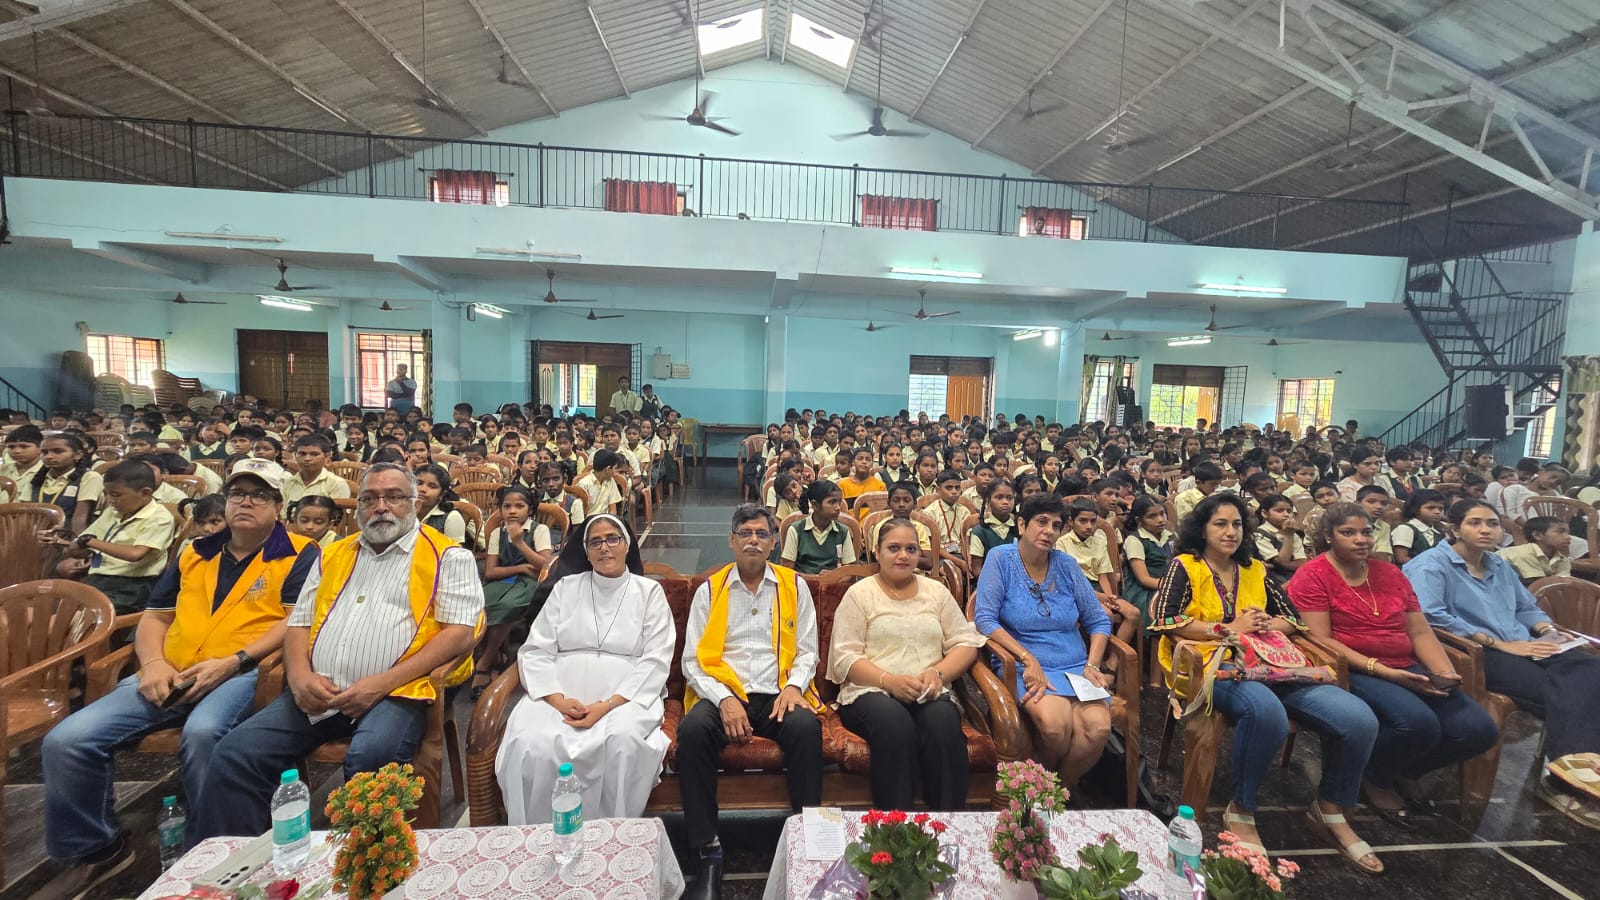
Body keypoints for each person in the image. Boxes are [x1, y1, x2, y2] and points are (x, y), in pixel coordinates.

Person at [41, 459, 318, 896]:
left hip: (241, 672)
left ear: (279, 506)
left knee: (206, 732)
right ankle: (98, 848)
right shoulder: (196, 551)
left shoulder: (300, 553)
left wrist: (234, 662)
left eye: (259, 495)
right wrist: (152, 665)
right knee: (68, 739)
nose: (245, 502)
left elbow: (294, 622)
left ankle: (209, 851)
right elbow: (155, 616)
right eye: (237, 493)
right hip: (169, 670)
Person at [192, 463, 484, 840]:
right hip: (318, 688)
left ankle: (369, 864)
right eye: (369, 499)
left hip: (399, 689)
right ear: (357, 507)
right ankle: (243, 865)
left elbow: (460, 633)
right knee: (235, 752)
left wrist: (380, 684)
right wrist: (298, 678)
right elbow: (299, 622)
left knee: (371, 756)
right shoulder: (333, 553)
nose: (381, 507)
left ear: (413, 503)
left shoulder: (447, 555)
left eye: (394, 497)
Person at [1149, 493, 1382, 872]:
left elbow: (1293, 619)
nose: (1230, 532)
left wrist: (1270, 624)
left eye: (1237, 524)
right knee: (1266, 712)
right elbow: (1163, 620)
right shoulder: (1185, 565)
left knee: (1358, 719)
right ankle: (1241, 808)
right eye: (1220, 524)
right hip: (1211, 666)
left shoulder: (1255, 568)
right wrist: (1226, 628)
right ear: (1202, 529)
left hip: (1271, 664)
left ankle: (1330, 809)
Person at [1290, 502, 1497, 822]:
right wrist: (1383, 670)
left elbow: (1418, 629)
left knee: (1478, 729)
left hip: (1405, 664)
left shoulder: (1389, 573)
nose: (1361, 540)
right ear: (1329, 537)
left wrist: (1442, 671)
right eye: (1348, 533)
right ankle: (1376, 778)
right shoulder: (1313, 575)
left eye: (1366, 532)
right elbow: (1322, 641)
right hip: (1355, 668)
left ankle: (1401, 770)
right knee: (1418, 724)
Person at [1406, 499, 1600, 829]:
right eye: (1475, 523)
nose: (1486, 530)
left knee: (1590, 670)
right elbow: (1431, 617)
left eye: (1492, 524)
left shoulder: (1498, 565)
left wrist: (1548, 630)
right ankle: (1564, 781)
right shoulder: (1432, 565)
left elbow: (1526, 608)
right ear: (1455, 529)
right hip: (1479, 653)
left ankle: (1576, 769)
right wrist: (1499, 643)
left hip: (1525, 643)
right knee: (1565, 691)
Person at [678, 505, 824, 900]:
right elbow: (692, 660)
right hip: (726, 690)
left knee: (806, 728)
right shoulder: (711, 589)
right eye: (745, 533)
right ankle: (707, 852)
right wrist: (725, 699)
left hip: (779, 691)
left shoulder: (795, 586)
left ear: (774, 542)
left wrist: (794, 688)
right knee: (691, 732)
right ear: (731, 540)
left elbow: (808, 650)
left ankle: (805, 842)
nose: (754, 540)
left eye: (762, 533)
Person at [494, 514, 673, 824]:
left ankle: (612, 839)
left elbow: (656, 657)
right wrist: (556, 699)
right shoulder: (566, 588)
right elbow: (537, 648)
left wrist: (607, 706)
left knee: (622, 742)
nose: (604, 548)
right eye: (595, 542)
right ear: (586, 551)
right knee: (529, 743)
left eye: (612, 539)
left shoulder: (649, 592)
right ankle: (538, 839)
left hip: (625, 695)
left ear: (627, 545)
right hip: (559, 691)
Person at [828, 518, 986, 810]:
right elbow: (845, 658)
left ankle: (947, 824)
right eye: (894, 548)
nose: (903, 555)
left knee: (943, 724)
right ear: (877, 552)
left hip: (928, 689)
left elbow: (965, 643)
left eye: (911, 549)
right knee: (894, 724)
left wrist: (938, 674)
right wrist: (890, 681)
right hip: (870, 691)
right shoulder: (860, 594)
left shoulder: (936, 591)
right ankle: (895, 829)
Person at [973, 492, 1113, 785]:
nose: (1049, 531)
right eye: (1041, 522)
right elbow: (985, 619)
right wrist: (1027, 658)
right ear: (1022, 525)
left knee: (1098, 730)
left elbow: (1098, 619)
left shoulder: (1066, 564)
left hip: (1076, 665)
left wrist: (1093, 664)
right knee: (1055, 728)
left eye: (1056, 525)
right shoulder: (1000, 559)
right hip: (1026, 664)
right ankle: (1044, 789)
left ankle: (1057, 790)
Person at [42, 459, 177, 613]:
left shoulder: (159, 517)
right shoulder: (112, 512)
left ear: (145, 493)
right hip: (98, 578)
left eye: (116, 495)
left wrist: (89, 542)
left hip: (132, 586)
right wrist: (70, 546)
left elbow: (135, 554)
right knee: (47, 606)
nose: (110, 501)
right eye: (107, 494)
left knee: (69, 619)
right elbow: (85, 545)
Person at [779, 480, 857, 574]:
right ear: (815, 505)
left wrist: (833, 577)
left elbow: (849, 572)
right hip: (803, 585)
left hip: (835, 586)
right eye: (832, 502)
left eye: (839, 501)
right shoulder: (796, 530)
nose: (838, 507)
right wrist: (815, 580)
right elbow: (788, 571)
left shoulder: (843, 531)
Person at [1497, 516, 1573, 582]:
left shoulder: (1563, 560)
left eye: (1568, 532)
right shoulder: (1524, 553)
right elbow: (1538, 586)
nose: (1568, 537)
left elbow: (1563, 585)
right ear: (1537, 535)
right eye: (1560, 532)